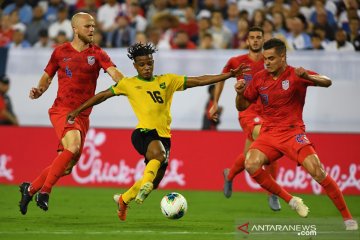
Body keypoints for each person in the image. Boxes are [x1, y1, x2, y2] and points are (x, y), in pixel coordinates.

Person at [67, 42, 246, 221]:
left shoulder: (166, 81)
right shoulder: (128, 84)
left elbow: (198, 80)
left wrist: (229, 75)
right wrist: (78, 110)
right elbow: (102, 95)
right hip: (143, 133)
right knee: (158, 156)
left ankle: (124, 199)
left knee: (156, 181)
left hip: (164, 136)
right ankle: (144, 185)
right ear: (135, 66)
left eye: (149, 63)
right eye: (142, 64)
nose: (146, 67)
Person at [235, 38, 358, 230]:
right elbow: (242, 106)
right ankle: (291, 200)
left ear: (283, 57)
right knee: (250, 163)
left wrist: (309, 77)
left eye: (271, 58)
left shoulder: (295, 74)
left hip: (293, 133)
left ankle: (348, 219)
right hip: (269, 133)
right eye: (265, 59)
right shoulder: (259, 78)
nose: (266, 62)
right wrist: (239, 93)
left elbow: (327, 82)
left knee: (317, 171)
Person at [18, 12, 124, 215]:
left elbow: (114, 72)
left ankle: (29, 189)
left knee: (67, 166)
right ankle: (45, 192)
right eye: (87, 26)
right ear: (75, 29)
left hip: (82, 115)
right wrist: (39, 90)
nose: (92, 30)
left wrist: (125, 82)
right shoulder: (60, 52)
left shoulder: (98, 53)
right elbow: (47, 77)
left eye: (93, 26)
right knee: (73, 146)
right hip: (63, 110)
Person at [209, 26, 281, 211]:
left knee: (250, 155)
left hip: (268, 114)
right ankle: (273, 193)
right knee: (271, 142)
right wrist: (215, 102)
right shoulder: (237, 61)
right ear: (247, 41)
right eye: (252, 38)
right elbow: (221, 78)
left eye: (259, 37)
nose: (256, 40)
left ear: (263, 40)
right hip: (248, 112)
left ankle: (230, 174)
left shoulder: (270, 63)